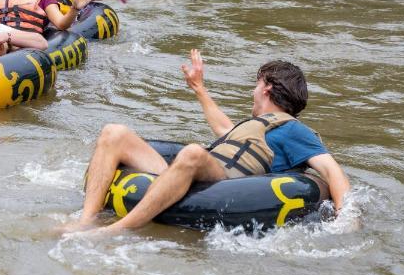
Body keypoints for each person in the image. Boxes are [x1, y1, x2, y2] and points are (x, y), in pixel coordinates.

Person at [63, 50, 350, 235]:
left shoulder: (295, 130)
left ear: (267, 87)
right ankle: (87, 218)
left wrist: (347, 217)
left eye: (255, 85)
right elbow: (223, 128)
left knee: (193, 152)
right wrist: (199, 88)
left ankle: (119, 229)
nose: (253, 91)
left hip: (225, 181)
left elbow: (330, 170)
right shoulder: (253, 126)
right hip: (204, 171)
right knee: (114, 132)